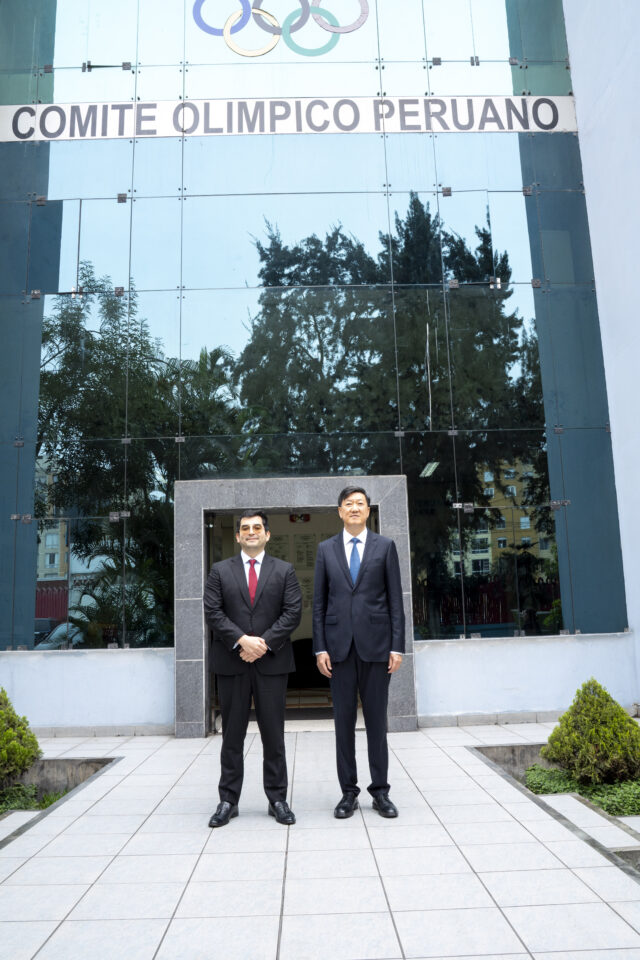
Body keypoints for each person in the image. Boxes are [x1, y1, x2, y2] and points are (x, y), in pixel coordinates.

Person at [204, 510, 302, 827]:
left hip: (271, 663)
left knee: (273, 735)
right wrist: (242, 640)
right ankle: (228, 801)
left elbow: (292, 612)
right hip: (232, 662)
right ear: (237, 536)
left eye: (257, 527)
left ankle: (277, 799)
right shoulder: (220, 571)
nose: (251, 532)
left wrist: (262, 644)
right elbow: (213, 611)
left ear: (267, 534)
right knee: (232, 735)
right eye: (245, 528)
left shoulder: (284, 570)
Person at [313, 486, 405, 819]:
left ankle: (380, 792)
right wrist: (320, 647)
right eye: (348, 504)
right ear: (340, 511)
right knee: (343, 724)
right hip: (338, 650)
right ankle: (348, 793)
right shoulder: (326, 549)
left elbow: (395, 600)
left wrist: (397, 646)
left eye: (360, 504)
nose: (354, 508)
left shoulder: (385, 547)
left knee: (377, 723)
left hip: (377, 648)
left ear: (368, 511)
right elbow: (319, 603)